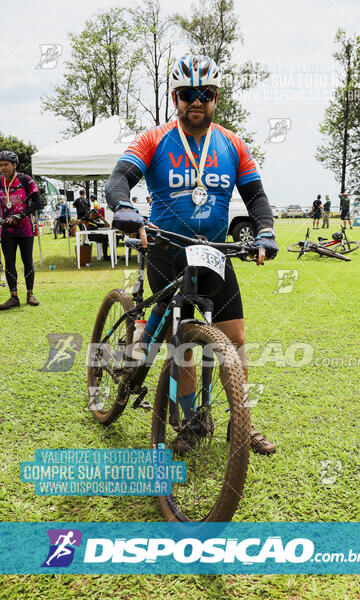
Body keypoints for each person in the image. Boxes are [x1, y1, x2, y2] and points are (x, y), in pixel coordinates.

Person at [105, 55, 279, 456]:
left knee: (234, 340)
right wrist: (124, 207)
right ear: (175, 97)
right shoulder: (153, 139)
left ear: (216, 98)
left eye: (206, 94)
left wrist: (265, 230)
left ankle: (242, 423)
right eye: (187, 94)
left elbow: (256, 196)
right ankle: (187, 422)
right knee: (181, 344)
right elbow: (120, 179)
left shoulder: (233, 143)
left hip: (215, 253)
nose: (196, 101)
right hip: (167, 252)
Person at [0, 150, 41, 309]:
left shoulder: (25, 180)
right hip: (6, 231)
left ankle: (30, 293)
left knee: (27, 261)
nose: (3, 168)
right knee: (9, 263)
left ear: (14, 165)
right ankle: (14, 297)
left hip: (25, 229)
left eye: (6, 165)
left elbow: (38, 203)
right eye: (1, 165)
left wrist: (22, 215)